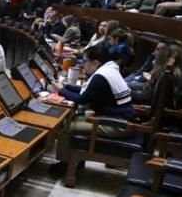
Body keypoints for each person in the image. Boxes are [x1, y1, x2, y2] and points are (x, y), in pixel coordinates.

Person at [50, 42, 134, 176]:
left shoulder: (101, 76)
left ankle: (65, 165)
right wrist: (66, 87)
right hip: (120, 119)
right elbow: (88, 92)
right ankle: (75, 161)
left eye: (85, 61)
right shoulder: (109, 69)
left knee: (66, 126)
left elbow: (82, 99)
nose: (83, 65)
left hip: (118, 125)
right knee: (76, 117)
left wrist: (61, 91)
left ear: (95, 63)